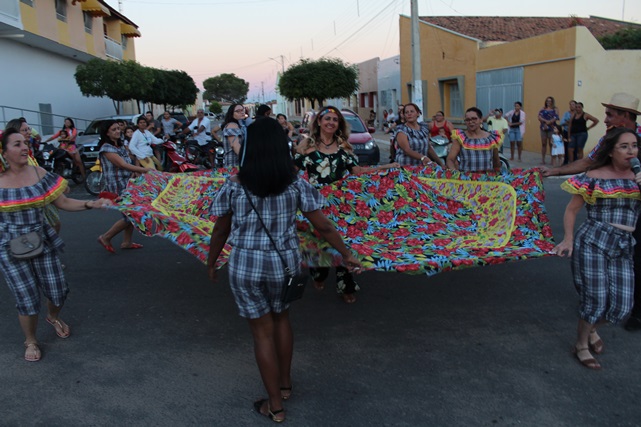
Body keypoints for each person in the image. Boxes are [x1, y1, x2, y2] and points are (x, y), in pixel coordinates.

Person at [207, 117, 362, 422]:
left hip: (246, 265)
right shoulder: (296, 184)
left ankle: (275, 405)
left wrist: (212, 262)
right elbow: (323, 226)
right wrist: (348, 254)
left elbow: (220, 231)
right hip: (284, 262)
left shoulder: (235, 185)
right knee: (282, 321)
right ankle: (286, 384)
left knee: (261, 334)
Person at [0, 128, 113, 362]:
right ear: (4, 152)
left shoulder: (39, 173)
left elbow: (63, 202)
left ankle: (53, 316)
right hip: (9, 247)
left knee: (58, 290)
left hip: (42, 240)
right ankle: (30, 340)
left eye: (25, 143)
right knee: (27, 298)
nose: (24, 147)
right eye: (17, 144)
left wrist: (91, 204)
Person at [541, 92, 641, 332]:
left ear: (626, 116)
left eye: (610, 114)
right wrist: (556, 171)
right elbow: (588, 162)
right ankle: (595, 310)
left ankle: (633, 311)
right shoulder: (608, 140)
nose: (604, 119)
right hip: (613, 215)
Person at [551, 128, 641, 370]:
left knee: (623, 305)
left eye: (634, 145)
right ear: (611, 151)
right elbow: (572, 210)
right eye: (624, 146)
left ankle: (591, 330)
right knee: (595, 300)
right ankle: (581, 344)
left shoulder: (639, 177)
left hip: (624, 243)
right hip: (594, 240)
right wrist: (567, 239)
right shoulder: (594, 175)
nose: (631, 151)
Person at [295, 106, 396, 303]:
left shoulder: (343, 146)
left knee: (344, 242)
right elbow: (292, 171)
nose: (331, 122)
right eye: (327, 119)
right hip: (316, 204)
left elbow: (357, 172)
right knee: (321, 240)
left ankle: (345, 285)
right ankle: (319, 272)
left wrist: (386, 167)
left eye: (335, 120)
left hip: (341, 205)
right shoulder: (306, 145)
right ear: (319, 123)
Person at [97, 120, 153, 253]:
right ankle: (106, 237)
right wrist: (144, 170)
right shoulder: (107, 148)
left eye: (118, 128)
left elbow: (128, 163)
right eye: (114, 129)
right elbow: (122, 164)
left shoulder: (120, 146)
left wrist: (135, 173)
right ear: (107, 133)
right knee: (132, 214)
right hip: (118, 185)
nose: (118, 131)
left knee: (130, 213)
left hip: (128, 182)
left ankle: (127, 241)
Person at [447, 107, 502, 172]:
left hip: (487, 180)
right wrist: (455, 174)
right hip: (466, 179)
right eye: (467, 120)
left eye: (474, 119)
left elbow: (496, 161)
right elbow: (450, 159)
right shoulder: (460, 137)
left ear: (481, 120)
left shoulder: (491, 138)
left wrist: (498, 176)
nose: (470, 122)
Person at [394, 103, 444, 167]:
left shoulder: (423, 128)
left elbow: (428, 148)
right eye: (406, 112)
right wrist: (423, 157)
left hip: (422, 167)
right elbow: (407, 150)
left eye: (412, 111)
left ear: (418, 113)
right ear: (404, 115)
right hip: (406, 167)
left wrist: (440, 163)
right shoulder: (402, 130)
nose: (409, 114)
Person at [538, 96, 559, 164]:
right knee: (544, 144)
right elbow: (539, 116)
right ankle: (543, 159)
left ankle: (552, 159)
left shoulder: (555, 109)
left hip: (552, 128)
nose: (548, 102)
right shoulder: (543, 108)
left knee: (551, 144)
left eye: (550, 101)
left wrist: (549, 122)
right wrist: (545, 121)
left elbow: (556, 117)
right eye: (547, 101)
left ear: (552, 102)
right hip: (543, 127)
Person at [560, 100, 577, 165]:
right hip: (566, 131)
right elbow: (562, 123)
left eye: (572, 104)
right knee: (566, 146)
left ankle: (575, 161)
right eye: (570, 104)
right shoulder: (566, 113)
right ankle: (565, 161)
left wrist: (569, 122)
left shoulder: (577, 114)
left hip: (574, 132)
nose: (571, 106)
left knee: (574, 147)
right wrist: (568, 122)